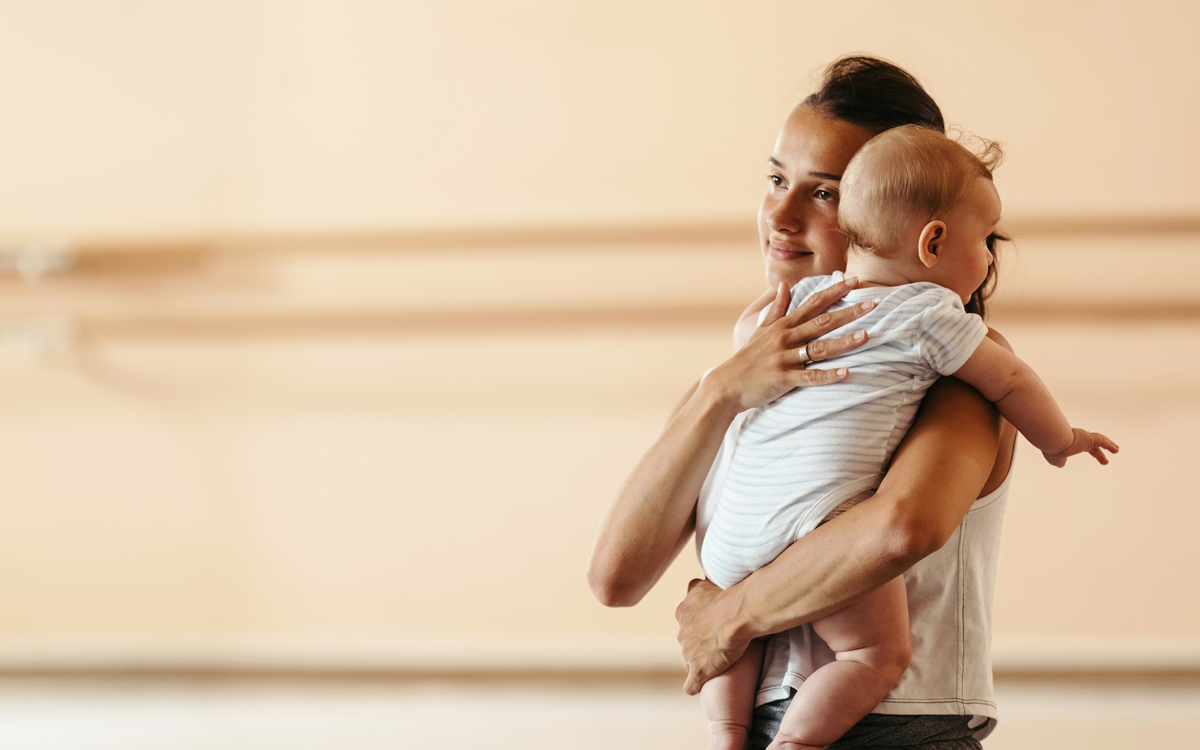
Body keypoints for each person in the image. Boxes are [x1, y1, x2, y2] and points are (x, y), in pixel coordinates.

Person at [588, 56, 1024, 749]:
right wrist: (724, 389)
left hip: (900, 730)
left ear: (906, 214)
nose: (780, 215)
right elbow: (616, 576)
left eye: (824, 194)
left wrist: (729, 617)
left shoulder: (964, 369)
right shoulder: (736, 373)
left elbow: (901, 529)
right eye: (775, 179)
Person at [697, 125, 1116, 750]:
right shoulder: (929, 316)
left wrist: (728, 378)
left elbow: (618, 583)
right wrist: (1061, 440)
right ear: (934, 240)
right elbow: (1012, 383)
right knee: (873, 654)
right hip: (818, 535)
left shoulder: (798, 307)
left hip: (730, 542)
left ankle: (724, 733)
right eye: (984, 240)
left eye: (822, 192)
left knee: (738, 641)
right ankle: (797, 743)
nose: (992, 256)